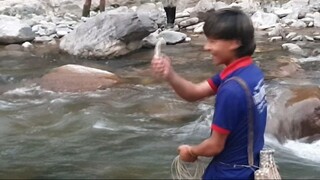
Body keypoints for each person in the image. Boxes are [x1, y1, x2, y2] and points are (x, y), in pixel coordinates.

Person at [151, 8, 267, 179]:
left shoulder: (232, 90)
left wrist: (191, 151)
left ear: (234, 43)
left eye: (212, 41)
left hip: (229, 173)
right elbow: (195, 92)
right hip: (251, 167)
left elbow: (215, 146)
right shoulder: (250, 72)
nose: (206, 47)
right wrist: (169, 74)